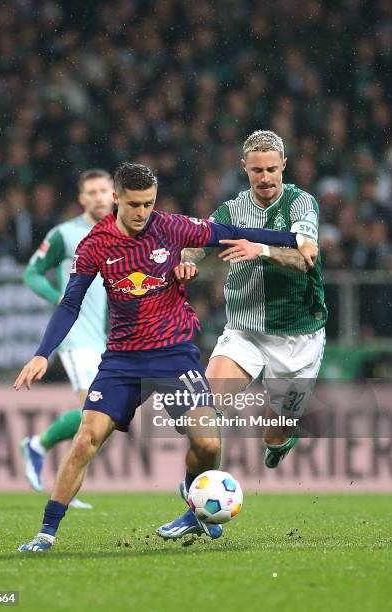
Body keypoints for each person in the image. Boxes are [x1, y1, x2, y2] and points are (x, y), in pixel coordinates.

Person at [13, 162, 313, 552]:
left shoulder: (170, 226)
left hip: (174, 355)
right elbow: (70, 304)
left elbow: (230, 232)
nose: (142, 213)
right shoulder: (95, 244)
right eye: (134, 205)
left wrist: (293, 237)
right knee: (86, 440)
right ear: (116, 199)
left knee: (207, 444)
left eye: (148, 204)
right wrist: (42, 354)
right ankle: (46, 533)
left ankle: (192, 496)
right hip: (122, 360)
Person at [159, 130, 325, 538]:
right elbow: (197, 241)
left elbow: (306, 257)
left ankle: (280, 441)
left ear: (283, 166)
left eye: (272, 169)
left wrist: (261, 249)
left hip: (298, 338)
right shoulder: (232, 209)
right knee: (205, 412)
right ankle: (196, 510)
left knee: (277, 428)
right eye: (257, 171)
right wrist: (187, 260)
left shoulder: (302, 203)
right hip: (244, 333)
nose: (265, 178)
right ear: (244, 169)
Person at [20, 169, 114, 509]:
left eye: (104, 190)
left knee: (106, 418)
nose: (100, 197)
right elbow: (31, 272)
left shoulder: (122, 232)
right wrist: (56, 295)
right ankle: (42, 450)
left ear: (114, 194)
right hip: (76, 337)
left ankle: (41, 451)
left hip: (110, 340)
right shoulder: (66, 234)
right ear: (82, 198)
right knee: (95, 411)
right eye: (93, 192)